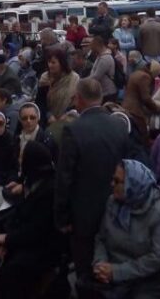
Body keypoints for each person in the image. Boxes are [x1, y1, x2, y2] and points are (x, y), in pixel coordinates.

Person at [55, 78, 131, 296]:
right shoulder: (118, 126)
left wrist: (62, 217)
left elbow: (65, 177)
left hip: (83, 213)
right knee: (110, 267)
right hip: (116, 209)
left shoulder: (73, 130)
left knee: (86, 271)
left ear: (78, 99)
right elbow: (127, 167)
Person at [0, 142, 65, 299]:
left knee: (10, 272)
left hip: (43, 247)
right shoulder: (31, 182)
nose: (20, 161)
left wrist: (8, 240)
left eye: (23, 157)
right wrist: (5, 240)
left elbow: (38, 230)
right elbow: (20, 215)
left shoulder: (50, 191)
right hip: (24, 240)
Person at [89, 159, 160, 299]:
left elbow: (157, 258)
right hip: (110, 274)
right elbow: (101, 238)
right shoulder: (113, 203)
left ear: (133, 184)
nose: (112, 184)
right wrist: (100, 264)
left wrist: (117, 272)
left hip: (146, 281)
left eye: (117, 181)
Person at [37, 46, 79, 123]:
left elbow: (75, 101)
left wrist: (66, 114)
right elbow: (40, 101)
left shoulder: (73, 78)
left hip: (68, 119)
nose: (50, 65)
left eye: (53, 62)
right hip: (47, 120)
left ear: (62, 63)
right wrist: (49, 115)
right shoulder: (45, 77)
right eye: (49, 62)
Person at [123, 63, 160, 144]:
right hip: (135, 109)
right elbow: (146, 98)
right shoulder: (145, 77)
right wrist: (156, 109)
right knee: (143, 133)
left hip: (126, 105)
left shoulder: (136, 73)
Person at [89, 34, 118, 103]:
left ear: (97, 45)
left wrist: (83, 82)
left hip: (108, 92)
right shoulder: (100, 56)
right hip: (103, 91)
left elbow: (96, 76)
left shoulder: (105, 58)